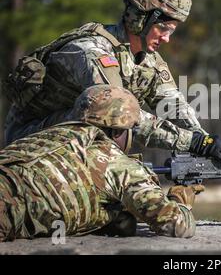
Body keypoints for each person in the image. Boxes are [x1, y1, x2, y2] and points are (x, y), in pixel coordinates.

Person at [3, 0, 221, 163]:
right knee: (110, 119)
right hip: (29, 140)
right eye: (163, 29)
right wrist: (193, 143)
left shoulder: (148, 59)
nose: (166, 39)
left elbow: (173, 105)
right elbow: (119, 114)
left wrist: (206, 141)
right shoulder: (92, 52)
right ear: (142, 18)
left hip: (69, 139)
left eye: (171, 32)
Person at [0, 85, 204, 242]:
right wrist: (180, 202)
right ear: (117, 131)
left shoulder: (45, 135)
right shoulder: (116, 162)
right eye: (131, 129)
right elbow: (176, 226)